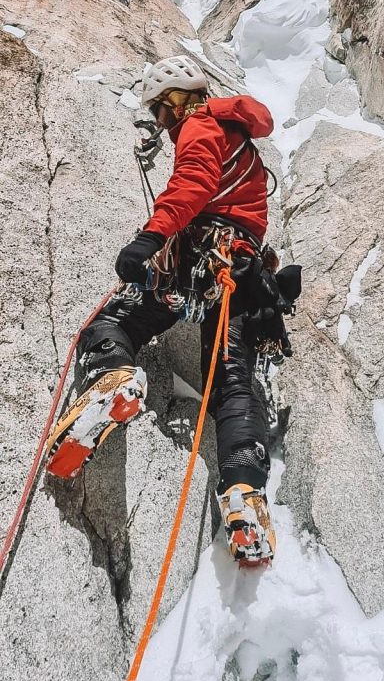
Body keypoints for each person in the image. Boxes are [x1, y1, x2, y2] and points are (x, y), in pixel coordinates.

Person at [46, 56, 300, 565]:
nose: (163, 123)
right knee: (232, 381)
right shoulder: (235, 131)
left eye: (163, 112)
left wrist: (149, 239)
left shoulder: (202, 126)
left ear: (178, 100)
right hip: (239, 272)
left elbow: (191, 184)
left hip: (200, 260)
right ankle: (244, 493)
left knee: (117, 320)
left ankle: (114, 375)